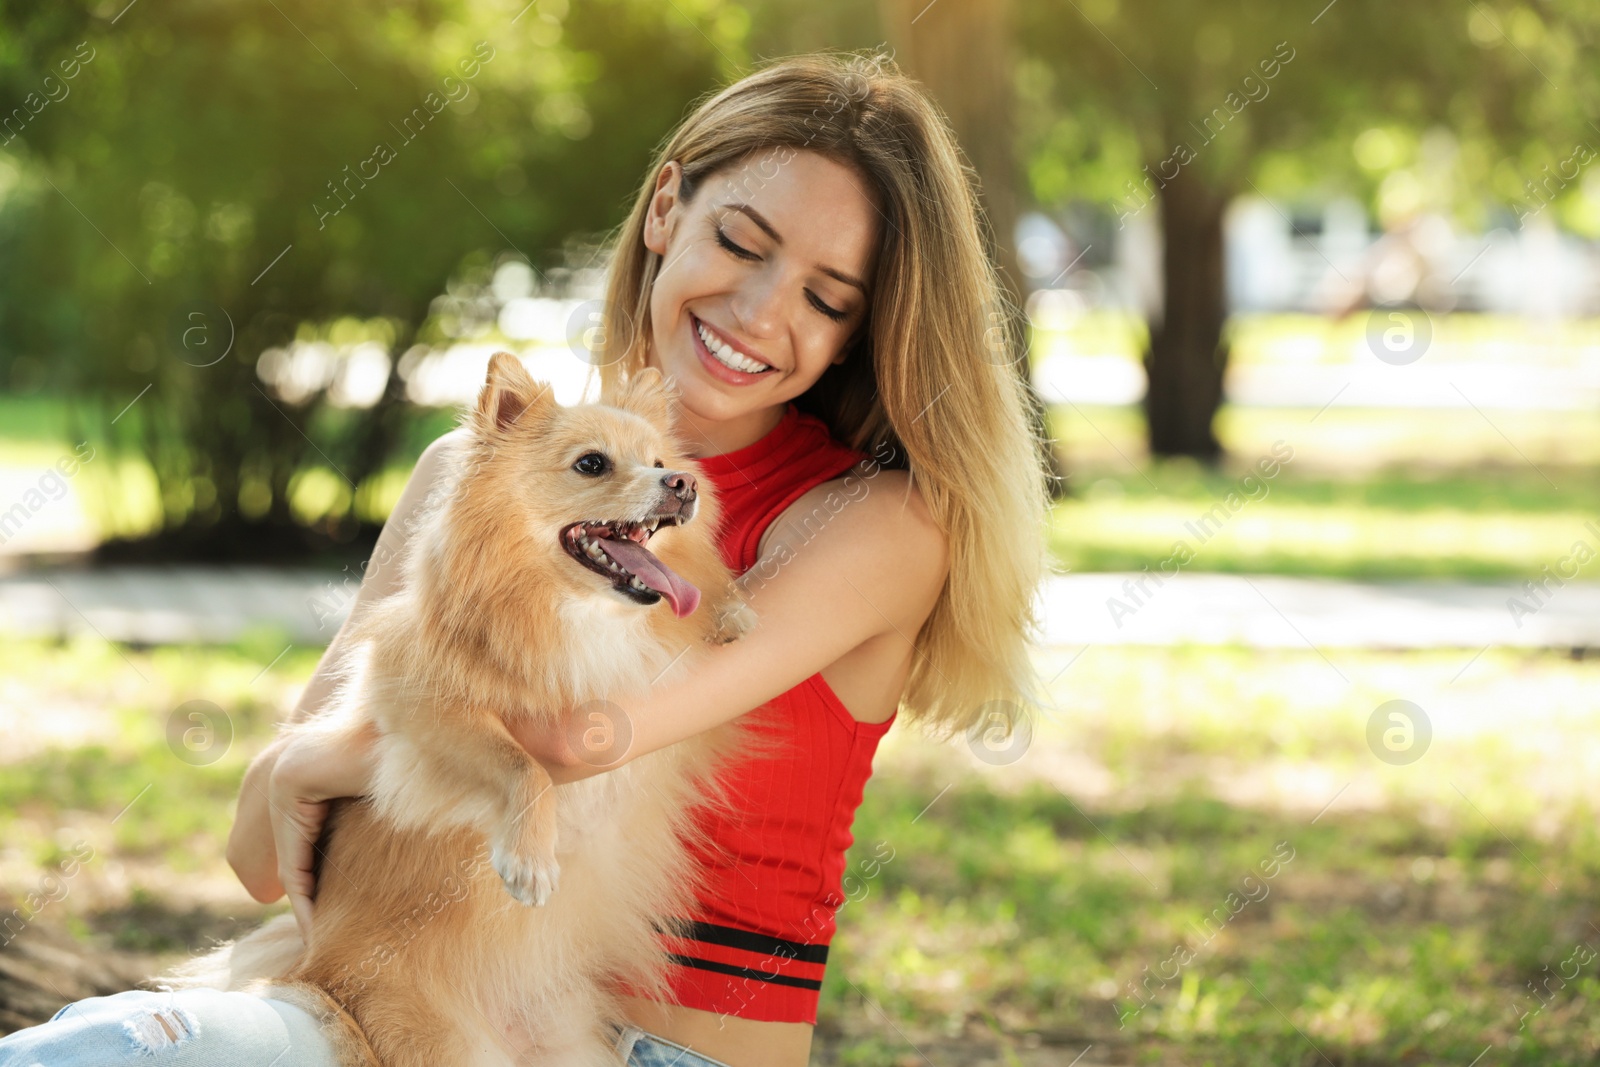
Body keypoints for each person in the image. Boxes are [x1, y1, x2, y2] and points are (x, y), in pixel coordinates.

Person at [0, 50, 1048, 1067]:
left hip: (662, 1049)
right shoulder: (473, 472)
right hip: (382, 1014)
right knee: (100, 1052)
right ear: (665, 208)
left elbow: (585, 735)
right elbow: (263, 851)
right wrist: (317, 759)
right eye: (741, 241)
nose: (762, 310)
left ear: (858, 335)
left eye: (827, 299)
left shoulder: (876, 522)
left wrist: (338, 753)